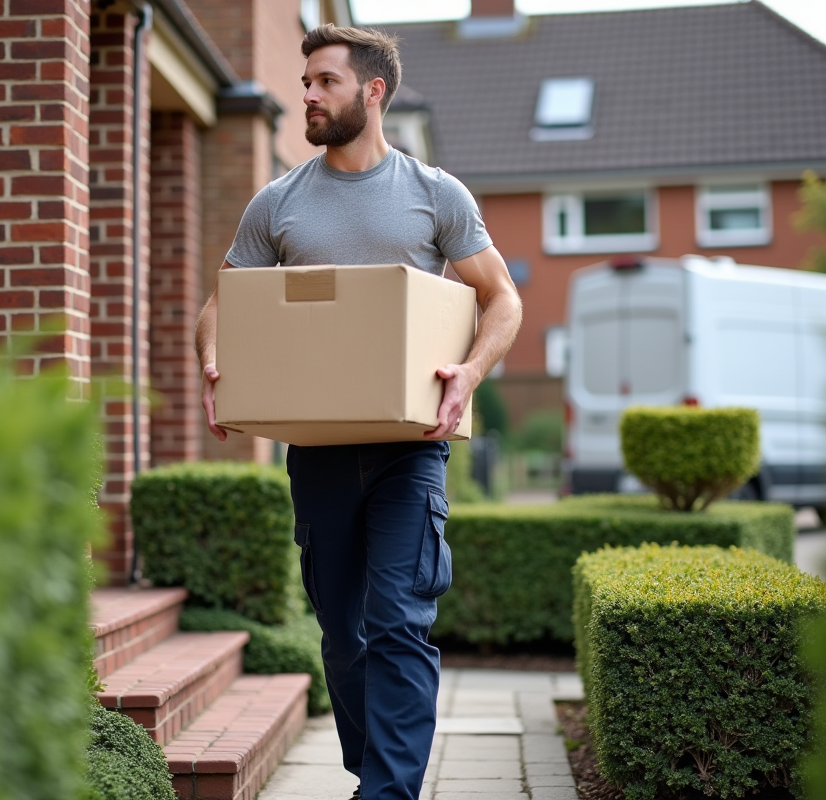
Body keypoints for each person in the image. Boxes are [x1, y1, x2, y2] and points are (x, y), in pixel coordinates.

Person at [194, 24, 522, 800]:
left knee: (399, 623)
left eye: (324, 82)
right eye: (305, 81)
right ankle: (374, 770)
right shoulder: (278, 204)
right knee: (343, 636)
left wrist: (469, 374)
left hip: (412, 449)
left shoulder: (435, 195)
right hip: (319, 452)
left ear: (372, 92)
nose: (306, 94)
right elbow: (223, 302)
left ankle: (386, 793)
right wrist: (216, 362)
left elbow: (502, 297)